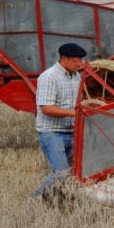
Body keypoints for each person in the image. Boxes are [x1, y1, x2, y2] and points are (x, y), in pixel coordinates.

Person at [33, 43, 87, 199]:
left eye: (81, 60)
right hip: (52, 133)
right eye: (76, 60)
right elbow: (47, 108)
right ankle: (36, 199)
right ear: (64, 58)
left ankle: (58, 201)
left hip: (71, 132)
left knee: (69, 173)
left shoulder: (76, 76)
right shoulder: (49, 77)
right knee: (61, 174)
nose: (79, 64)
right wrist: (75, 114)